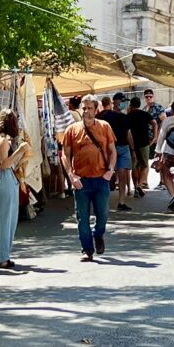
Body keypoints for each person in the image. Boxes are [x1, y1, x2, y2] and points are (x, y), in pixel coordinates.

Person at [61, 94, 117, 260]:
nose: (86, 111)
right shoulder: (72, 129)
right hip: (81, 181)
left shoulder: (105, 126)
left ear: (96, 109)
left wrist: (111, 170)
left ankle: (98, 234)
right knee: (82, 218)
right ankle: (87, 249)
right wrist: (71, 176)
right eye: (83, 108)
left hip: (101, 178)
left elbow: (112, 150)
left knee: (103, 214)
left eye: (89, 108)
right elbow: (65, 154)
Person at [0, 108, 29, 269]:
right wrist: (19, 150)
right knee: (6, 221)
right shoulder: (4, 141)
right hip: (4, 178)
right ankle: (3, 258)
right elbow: (5, 164)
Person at [98, 95, 134, 211]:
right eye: (123, 101)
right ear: (116, 102)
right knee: (122, 175)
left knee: (105, 174)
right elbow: (128, 134)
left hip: (108, 148)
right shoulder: (123, 117)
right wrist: (133, 150)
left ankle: (104, 202)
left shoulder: (101, 116)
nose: (123, 104)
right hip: (121, 147)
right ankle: (121, 201)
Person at [155, 100, 174, 209]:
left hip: (168, 150)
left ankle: (173, 195)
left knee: (165, 172)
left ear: (172, 110)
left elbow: (162, 135)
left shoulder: (168, 120)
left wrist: (157, 151)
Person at [127, 96, 155, 198]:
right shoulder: (145, 114)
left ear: (131, 104)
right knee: (144, 165)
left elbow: (127, 131)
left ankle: (135, 188)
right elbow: (154, 123)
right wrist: (155, 136)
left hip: (132, 143)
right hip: (144, 142)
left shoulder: (128, 115)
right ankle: (140, 184)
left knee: (134, 166)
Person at [143, 88, 166, 188]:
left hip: (157, 138)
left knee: (159, 160)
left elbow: (164, 120)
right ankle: (144, 181)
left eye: (150, 96)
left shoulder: (158, 108)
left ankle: (162, 181)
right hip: (147, 138)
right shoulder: (144, 109)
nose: (148, 98)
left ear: (153, 97)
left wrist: (159, 135)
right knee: (146, 160)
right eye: (147, 97)